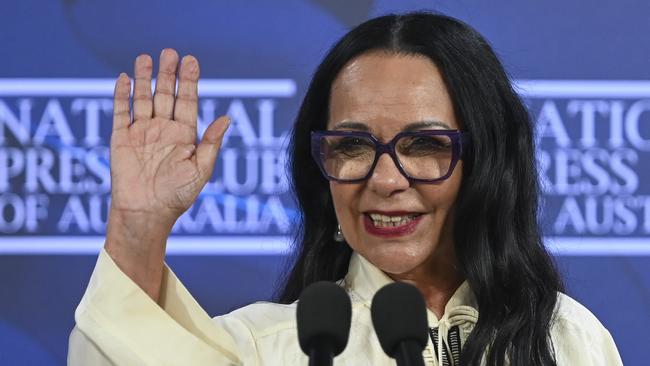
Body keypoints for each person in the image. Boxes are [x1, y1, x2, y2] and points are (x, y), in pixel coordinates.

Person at [68, 12, 623, 366]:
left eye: (425, 145)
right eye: (352, 147)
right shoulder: (264, 348)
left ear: (484, 163)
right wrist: (136, 227)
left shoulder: (567, 340)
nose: (384, 180)